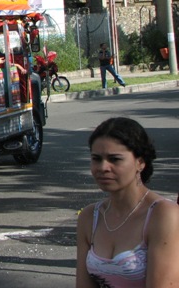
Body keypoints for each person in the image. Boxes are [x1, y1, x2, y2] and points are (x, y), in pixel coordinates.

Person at [76, 117, 179, 287]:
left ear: (140, 162)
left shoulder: (163, 214)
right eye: (96, 158)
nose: (103, 167)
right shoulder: (89, 217)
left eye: (115, 159)